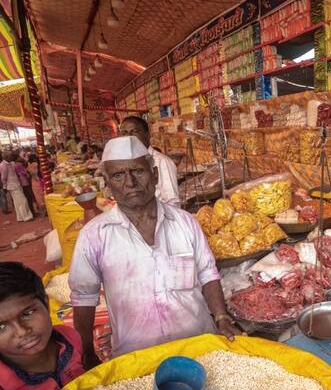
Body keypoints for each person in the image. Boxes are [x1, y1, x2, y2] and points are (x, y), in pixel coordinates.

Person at [69, 136, 240, 369]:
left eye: (138, 171)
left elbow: (208, 273)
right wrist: (87, 352)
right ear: (107, 184)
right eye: (118, 175)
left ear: (155, 175)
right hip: (137, 357)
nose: (130, 182)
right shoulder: (94, 235)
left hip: (199, 346)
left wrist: (220, 316)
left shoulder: (186, 222)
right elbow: (83, 298)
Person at [0, 262, 85, 390]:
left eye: (27, 313)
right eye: (1, 327)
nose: (21, 331)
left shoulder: (70, 339)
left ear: (46, 304)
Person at [120, 116, 180, 206]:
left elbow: (172, 202)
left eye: (134, 132)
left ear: (147, 135)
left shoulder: (161, 162)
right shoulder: (125, 162)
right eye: (124, 133)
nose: (129, 137)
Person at [0, 151, 32, 222]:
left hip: (17, 184)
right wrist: (5, 187)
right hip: (12, 186)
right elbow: (3, 178)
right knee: (23, 200)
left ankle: (20, 217)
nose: (11, 157)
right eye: (10, 156)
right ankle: (27, 217)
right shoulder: (3, 165)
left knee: (17, 202)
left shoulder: (12, 163)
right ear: (6, 157)